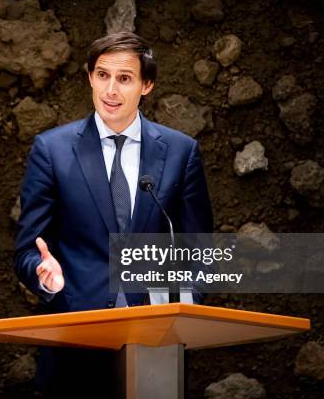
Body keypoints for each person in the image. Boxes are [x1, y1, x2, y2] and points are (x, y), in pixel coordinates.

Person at [13, 32, 213, 397]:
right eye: (102, 75)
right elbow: (28, 250)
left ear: (146, 85)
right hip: (76, 340)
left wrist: (184, 303)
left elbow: (198, 250)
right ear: (90, 77)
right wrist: (45, 278)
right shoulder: (52, 150)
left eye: (124, 78)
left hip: (156, 341)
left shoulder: (181, 152)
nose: (110, 90)